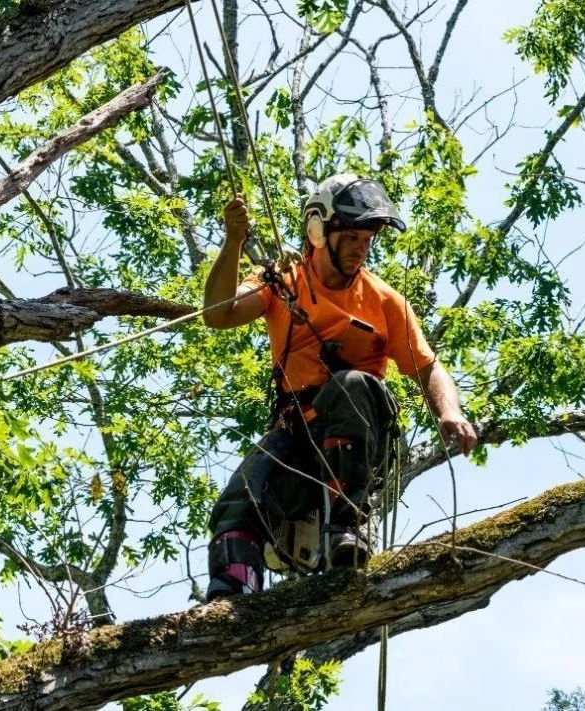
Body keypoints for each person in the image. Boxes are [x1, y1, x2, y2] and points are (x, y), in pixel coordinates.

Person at [202, 174, 477, 600]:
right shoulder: (283, 280)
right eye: (351, 236)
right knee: (240, 499)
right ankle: (232, 594)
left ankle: (347, 525)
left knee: (348, 385)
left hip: (357, 441)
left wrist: (449, 412)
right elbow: (219, 315)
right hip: (299, 435)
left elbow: (428, 368)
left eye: (367, 238)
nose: (361, 247)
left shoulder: (384, 300)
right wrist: (233, 242)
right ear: (318, 230)